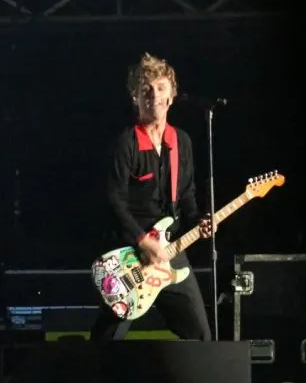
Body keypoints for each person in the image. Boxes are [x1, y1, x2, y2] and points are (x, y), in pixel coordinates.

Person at [91, 52, 214, 342]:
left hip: (170, 250)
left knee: (200, 335)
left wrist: (200, 221)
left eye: (160, 88)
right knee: (107, 338)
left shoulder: (180, 141)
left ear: (171, 96)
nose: (153, 95)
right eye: (145, 89)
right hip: (129, 254)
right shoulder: (127, 141)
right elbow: (114, 199)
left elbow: (187, 195)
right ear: (135, 97)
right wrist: (142, 240)